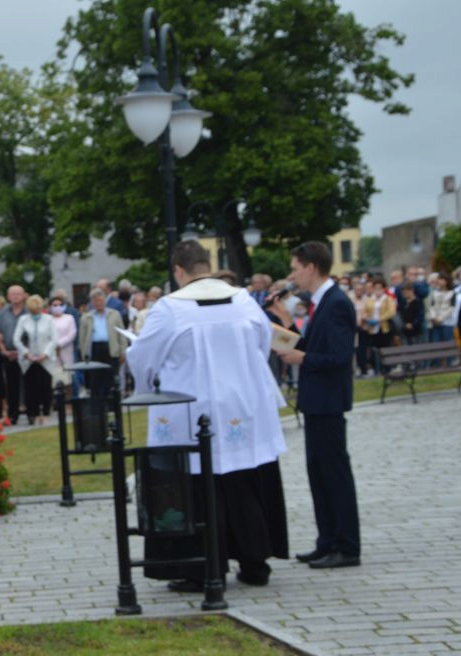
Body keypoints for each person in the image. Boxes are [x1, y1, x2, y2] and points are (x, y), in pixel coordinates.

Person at [129, 241, 289, 589]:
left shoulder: (169, 309)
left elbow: (142, 357)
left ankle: (202, 568)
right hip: (243, 408)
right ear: (208, 265)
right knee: (244, 480)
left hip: (191, 410)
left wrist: (146, 386)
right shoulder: (244, 299)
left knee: (198, 486)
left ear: (178, 271)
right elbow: (263, 346)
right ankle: (254, 562)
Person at [277, 241, 361, 570]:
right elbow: (312, 344)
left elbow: (339, 358)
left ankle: (347, 545)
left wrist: (303, 358)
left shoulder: (336, 302)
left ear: (311, 267)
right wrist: (285, 324)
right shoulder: (321, 301)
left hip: (328, 401)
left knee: (334, 474)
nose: (292, 274)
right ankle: (326, 541)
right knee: (318, 474)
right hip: (316, 401)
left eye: (296, 268)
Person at [13, 295, 58, 425]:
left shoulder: (49, 319)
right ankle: (32, 413)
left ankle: (45, 413)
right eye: (32, 310)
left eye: (37, 310)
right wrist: (27, 354)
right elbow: (16, 339)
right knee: (30, 388)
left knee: (45, 387)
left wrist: (46, 354)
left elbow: (54, 339)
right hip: (29, 360)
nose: (35, 312)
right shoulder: (23, 320)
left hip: (45, 359)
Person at [78, 287, 127, 406]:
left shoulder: (114, 314)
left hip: (111, 348)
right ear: (92, 303)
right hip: (95, 349)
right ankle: (97, 406)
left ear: (105, 300)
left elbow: (121, 334)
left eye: (101, 300)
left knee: (111, 377)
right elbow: (82, 338)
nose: (99, 303)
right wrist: (84, 354)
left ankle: (112, 405)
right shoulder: (87, 317)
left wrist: (123, 351)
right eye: (96, 301)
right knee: (96, 379)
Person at [0, 285, 27, 424]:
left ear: (24, 295)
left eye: (18, 294)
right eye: (12, 294)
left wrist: (23, 351)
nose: (15, 296)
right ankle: (12, 415)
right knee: (11, 386)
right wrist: (3, 350)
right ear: (8, 296)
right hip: (8, 353)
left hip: (26, 354)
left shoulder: (28, 312)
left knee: (27, 384)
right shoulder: (3, 312)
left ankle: (31, 412)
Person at [361, 278, 396, 374]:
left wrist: (379, 319)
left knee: (385, 347)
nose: (377, 289)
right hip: (372, 328)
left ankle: (387, 368)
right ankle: (377, 368)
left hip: (384, 327)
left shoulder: (388, 299)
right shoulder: (369, 299)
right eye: (375, 287)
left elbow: (391, 312)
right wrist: (366, 317)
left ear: (384, 288)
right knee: (374, 349)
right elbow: (364, 311)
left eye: (380, 287)